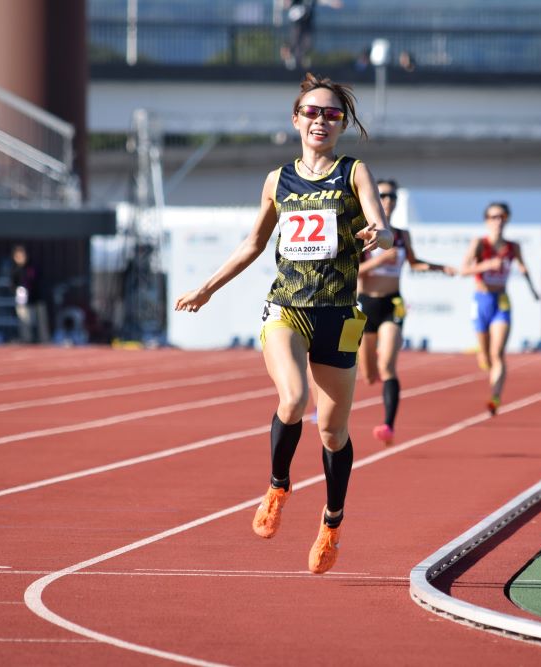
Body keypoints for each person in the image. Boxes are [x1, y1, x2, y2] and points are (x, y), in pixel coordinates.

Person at [175, 73, 392, 574]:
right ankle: (277, 487)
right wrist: (207, 288)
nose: (321, 120)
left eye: (332, 114)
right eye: (312, 112)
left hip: (339, 314)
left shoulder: (354, 171)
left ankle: (331, 523)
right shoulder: (278, 180)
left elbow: (386, 234)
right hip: (287, 308)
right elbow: (254, 243)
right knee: (293, 399)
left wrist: (377, 234)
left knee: (334, 433)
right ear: (296, 120)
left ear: (342, 125)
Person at [357, 179, 457, 445]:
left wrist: (438, 267)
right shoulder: (362, 232)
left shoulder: (401, 235)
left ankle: (388, 424)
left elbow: (414, 262)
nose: (387, 201)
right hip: (367, 303)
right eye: (382, 196)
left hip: (393, 303)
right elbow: (351, 271)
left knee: (388, 367)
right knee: (368, 375)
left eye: (391, 197)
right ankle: (375, 359)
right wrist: (379, 260)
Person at [460, 202, 539, 416]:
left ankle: (495, 396)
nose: (498, 221)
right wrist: (486, 265)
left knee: (498, 353)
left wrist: (533, 290)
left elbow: (523, 267)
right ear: (487, 220)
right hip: (481, 299)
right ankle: (484, 357)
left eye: (502, 217)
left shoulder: (513, 247)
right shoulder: (479, 243)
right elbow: (463, 270)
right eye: (494, 217)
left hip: (501, 300)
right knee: (486, 356)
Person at [282, 0, 342, 70]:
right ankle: (291, 58)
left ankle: (299, 61)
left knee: (307, 43)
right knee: (294, 42)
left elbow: (322, 1)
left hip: (308, 21)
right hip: (297, 22)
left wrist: (333, 3)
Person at [10, 244, 49, 343]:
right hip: (23, 301)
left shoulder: (33, 267)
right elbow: (12, 283)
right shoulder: (15, 269)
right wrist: (18, 291)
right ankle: (27, 340)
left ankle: (44, 341)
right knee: (24, 321)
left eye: (22, 255)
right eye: (17, 256)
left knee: (41, 322)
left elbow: (38, 281)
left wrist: (31, 289)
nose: (20, 258)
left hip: (37, 298)